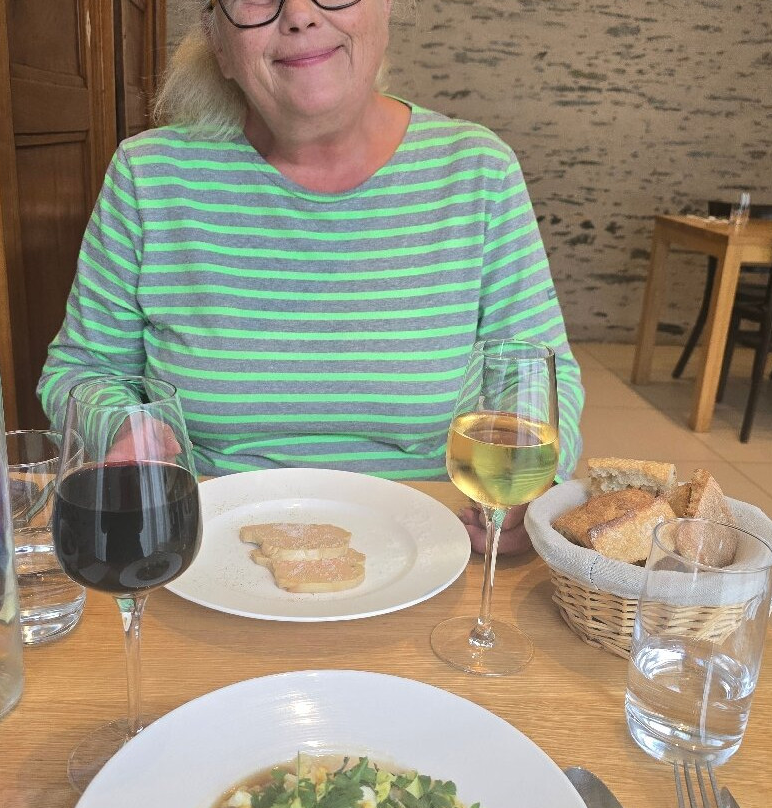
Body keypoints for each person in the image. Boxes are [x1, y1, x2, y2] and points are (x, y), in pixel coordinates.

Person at [37, 0, 584, 554]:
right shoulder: (148, 175)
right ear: (218, 41)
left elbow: (539, 376)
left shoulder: (478, 171)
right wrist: (121, 426)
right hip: (206, 542)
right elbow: (83, 369)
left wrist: (531, 489)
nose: (300, 14)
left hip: (436, 538)